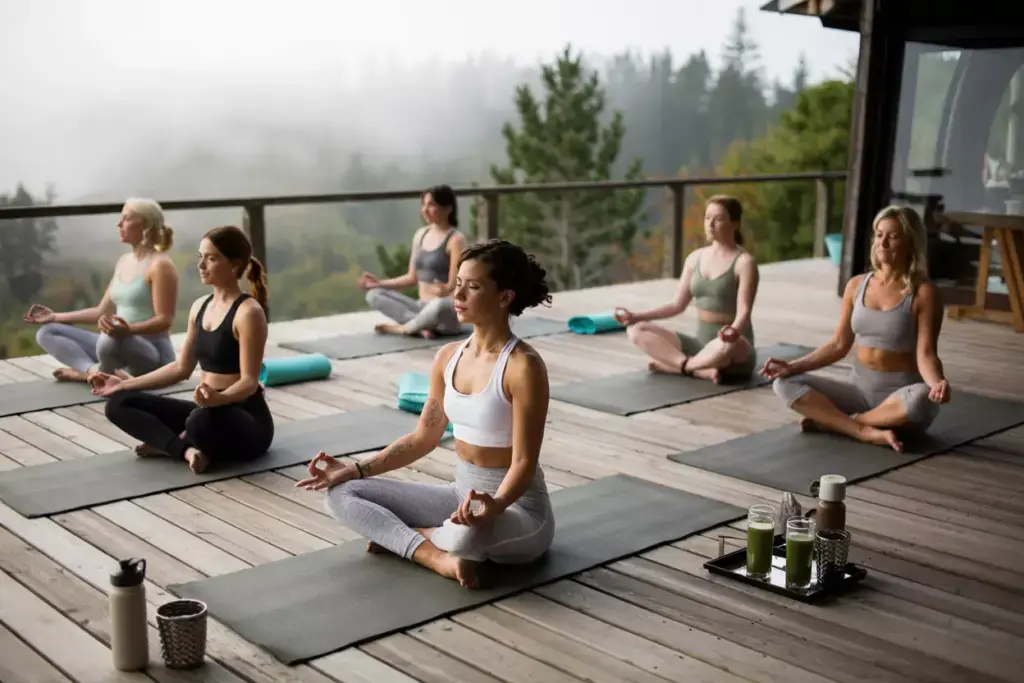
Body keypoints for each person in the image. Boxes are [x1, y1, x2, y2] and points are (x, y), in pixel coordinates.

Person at [298, 238, 554, 589]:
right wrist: (354, 468)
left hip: (517, 509)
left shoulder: (523, 366)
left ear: (504, 297)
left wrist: (495, 504)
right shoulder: (448, 357)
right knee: (341, 492)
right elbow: (423, 437)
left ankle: (410, 536)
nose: (457, 295)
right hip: (460, 495)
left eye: (473, 287)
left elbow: (524, 462)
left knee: (467, 537)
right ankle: (433, 556)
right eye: (458, 284)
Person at [763, 205, 950, 452]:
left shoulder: (924, 293)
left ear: (910, 243)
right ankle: (862, 430)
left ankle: (839, 423)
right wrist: (792, 366)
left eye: (893, 236)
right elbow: (838, 344)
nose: (882, 243)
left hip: (899, 401)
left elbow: (926, 354)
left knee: (921, 400)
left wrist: (937, 383)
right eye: (879, 235)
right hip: (857, 392)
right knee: (784, 383)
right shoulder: (856, 285)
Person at [90, 226, 273, 474]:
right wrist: (124, 385)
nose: (201, 265)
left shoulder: (248, 313)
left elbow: (249, 382)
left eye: (211, 258)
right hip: (207, 409)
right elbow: (181, 368)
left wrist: (220, 399)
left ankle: (171, 443)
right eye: (201, 256)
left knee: (198, 421)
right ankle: (186, 450)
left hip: (245, 418)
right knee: (118, 404)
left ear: (234, 264)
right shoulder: (200, 307)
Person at [24, 198, 179, 382]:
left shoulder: (160, 266)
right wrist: (54, 317)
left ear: (147, 224)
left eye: (127, 218)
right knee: (47, 332)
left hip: (153, 354)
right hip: (116, 341)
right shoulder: (124, 261)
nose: (119, 224)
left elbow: (164, 321)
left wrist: (128, 330)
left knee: (109, 340)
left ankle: (93, 374)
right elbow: (101, 312)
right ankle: (92, 372)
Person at [614, 195, 759, 382]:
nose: (710, 224)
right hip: (700, 346)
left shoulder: (744, 263)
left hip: (734, 349)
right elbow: (677, 305)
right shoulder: (695, 258)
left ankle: (680, 366)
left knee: (727, 346)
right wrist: (636, 316)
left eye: (718, 219)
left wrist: (733, 332)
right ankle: (694, 368)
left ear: (735, 223)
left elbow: (744, 311)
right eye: (707, 218)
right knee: (636, 330)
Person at [358, 185, 467, 339]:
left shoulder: (456, 240)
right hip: (420, 308)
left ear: (448, 208)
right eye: (423, 205)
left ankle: (405, 328)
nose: (425, 210)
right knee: (374, 295)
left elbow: (456, 285)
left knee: (441, 304)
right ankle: (420, 325)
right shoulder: (420, 235)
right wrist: (379, 283)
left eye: (431, 205)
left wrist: (446, 290)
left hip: (444, 313)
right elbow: (411, 278)